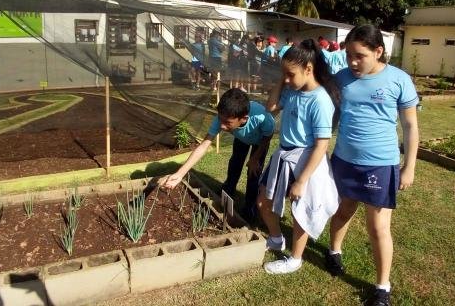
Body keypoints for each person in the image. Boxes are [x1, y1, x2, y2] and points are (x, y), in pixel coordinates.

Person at [326, 25, 419, 306]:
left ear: (378, 52)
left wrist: (409, 166)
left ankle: (382, 288)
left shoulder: (399, 80)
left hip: (380, 164)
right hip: (343, 160)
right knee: (343, 210)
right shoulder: (341, 78)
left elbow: (411, 125)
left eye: (360, 55)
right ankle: (334, 252)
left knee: (378, 225)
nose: (352, 62)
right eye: (348, 55)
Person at [258, 39, 340, 274]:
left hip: (306, 159)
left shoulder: (320, 100)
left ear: (309, 69)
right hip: (283, 153)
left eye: (290, 73)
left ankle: (295, 258)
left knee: (300, 212)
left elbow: (321, 146)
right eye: (284, 73)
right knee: (263, 201)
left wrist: (302, 180)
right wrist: (282, 80)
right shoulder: (293, 90)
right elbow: (270, 107)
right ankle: (276, 239)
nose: (286, 78)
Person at [160, 88, 275, 222]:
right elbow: (204, 145)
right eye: (221, 119)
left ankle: (250, 208)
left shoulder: (262, 117)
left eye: (227, 123)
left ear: (243, 119)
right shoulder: (222, 118)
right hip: (241, 138)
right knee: (235, 165)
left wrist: (255, 158)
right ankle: (227, 192)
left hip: (259, 142)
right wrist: (180, 174)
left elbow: (268, 135)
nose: (222, 126)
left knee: (253, 173)